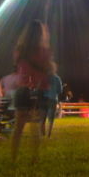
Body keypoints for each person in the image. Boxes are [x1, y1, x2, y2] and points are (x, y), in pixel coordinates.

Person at [10, 19, 54, 163]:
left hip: (22, 91)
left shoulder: (19, 50)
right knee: (35, 127)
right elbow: (50, 72)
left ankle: (13, 158)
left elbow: (18, 70)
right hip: (38, 92)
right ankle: (34, 158)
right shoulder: (44, 51)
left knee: (18, 128)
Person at [41, 70, 63, 137]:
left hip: (44, 99)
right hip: (53, 99)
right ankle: (48, 135)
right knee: (51, 118)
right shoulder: (57, 78)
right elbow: (60, 91)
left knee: (42, 118)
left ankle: (42, 134)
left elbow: (40, 88)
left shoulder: (43, 78)